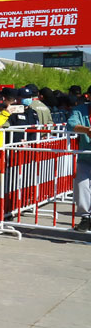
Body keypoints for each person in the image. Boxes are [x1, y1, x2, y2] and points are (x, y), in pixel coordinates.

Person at [65, 96, 91, 232]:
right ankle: (86, 217)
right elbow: (71, 124)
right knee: (81, 185)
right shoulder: (80, 110)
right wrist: (86, 130)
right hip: (86, 155)